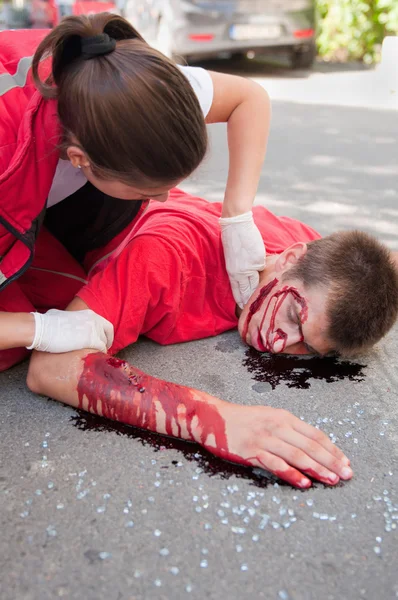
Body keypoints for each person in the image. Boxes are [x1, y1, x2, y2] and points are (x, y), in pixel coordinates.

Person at [26, 188, 398, 488]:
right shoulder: (167, 258)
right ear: (290, 258)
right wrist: (214, 419)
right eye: (294, 318)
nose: (282, 344)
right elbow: (50, 367)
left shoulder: (309, 255)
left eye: (308, 348)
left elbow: (381, 265)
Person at [0, 12, 270, 365]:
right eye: (147, 191)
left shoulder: (144, 91)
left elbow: (248, 98)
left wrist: (236, 216)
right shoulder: (11, 144)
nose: (163, 200)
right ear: (80, 159)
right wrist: (38, 330)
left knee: (67, 294)